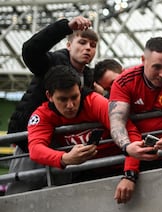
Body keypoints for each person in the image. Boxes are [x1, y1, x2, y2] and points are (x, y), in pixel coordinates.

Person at [27, 65, 151, 204]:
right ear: (49, 96)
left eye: (74, 97)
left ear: (80, 90)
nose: (70, 105)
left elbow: (130, 131)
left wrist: (130, 175)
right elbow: (35, 149)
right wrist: (65, 158)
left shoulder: (96, 102)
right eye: (62, 99)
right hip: (84, 174)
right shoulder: (42, 114)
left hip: (119, 167)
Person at [6, 16, 98, 195]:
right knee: (20, 196)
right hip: (30, 144)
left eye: (93, 45)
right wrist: (65, 27)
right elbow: (30, 50)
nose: (88, 48)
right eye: (82, 42)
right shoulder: (51, 62)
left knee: (59, 197)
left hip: (64, 147)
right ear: (69, 45)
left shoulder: (88, 76)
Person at [108, 37, 162, 169]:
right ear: (143, 60)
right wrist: (127, 147)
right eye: (156, 67)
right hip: (143, 159)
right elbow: (117, 121)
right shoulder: (124, 82)